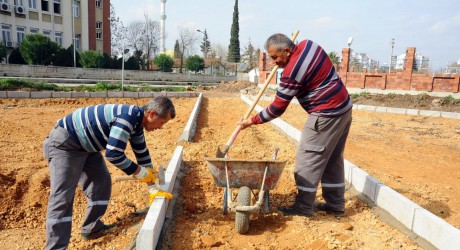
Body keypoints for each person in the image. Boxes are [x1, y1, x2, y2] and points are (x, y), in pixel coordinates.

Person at [239, 33, 353, 217]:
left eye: (276, 57)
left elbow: (277, 108)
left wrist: (251, 121)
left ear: (287, 50)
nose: (275, 62)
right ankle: (336, 206)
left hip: (325, 114)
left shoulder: (291, 72)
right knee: (332, 160)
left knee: (307, 160)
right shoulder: (309, 45)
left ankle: (303, 208)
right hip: (344, 109)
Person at [43, 96, 176, 249]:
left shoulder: (138, 122)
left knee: (101, 182)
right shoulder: (127, 118)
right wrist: (140, 173)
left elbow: (142, 152)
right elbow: (114, 155)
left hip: (87, 146)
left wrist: (152, 186)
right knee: (63, 197)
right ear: (151, 114)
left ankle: (91, 228)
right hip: (66, 144)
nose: (161, 127)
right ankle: (56, 247)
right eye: (162, 122)